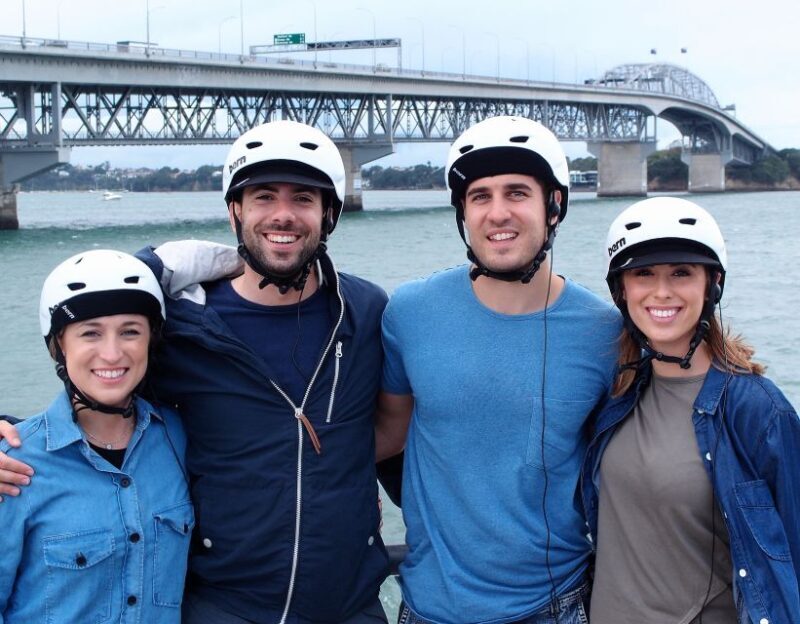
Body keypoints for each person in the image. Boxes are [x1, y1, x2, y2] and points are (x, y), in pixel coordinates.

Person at [0, 121, 390, 623]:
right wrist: (13, 433)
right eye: (263, 196)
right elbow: (101, 370)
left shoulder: (363, 312)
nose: (283, 214)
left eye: (304, 199)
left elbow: (403, 423)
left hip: (347, 607)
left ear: (329, 213)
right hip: (221, 606)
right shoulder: (182, 323)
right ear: (234, 210)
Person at [375, 115, 621, 623]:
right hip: (429, 606)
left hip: (556, 605)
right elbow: (385, 437)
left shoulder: (606, 333)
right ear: (462, 211)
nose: (497, 212)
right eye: (480, 196)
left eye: (517, 193)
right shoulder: (411, 311)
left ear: (553, 206)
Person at [582, 197, 800, 623]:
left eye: (681, 272)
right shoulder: (616, 394)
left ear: (711, 284)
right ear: (621, 290)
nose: (662, 291)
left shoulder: (757, 410)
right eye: (644, 273)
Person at [0, 249, 191, 623]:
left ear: (151, 341)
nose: (112, 352)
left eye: (130, 332)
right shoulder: (15, 463)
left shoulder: (181, 439)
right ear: (60, 345)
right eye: (90, 333)